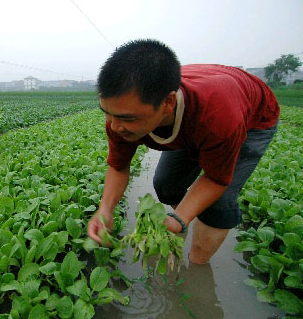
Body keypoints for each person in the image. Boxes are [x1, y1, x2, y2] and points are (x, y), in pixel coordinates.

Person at [87, 39, 279, 264]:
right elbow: (118, 166)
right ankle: (186, 220)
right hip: (200, 108)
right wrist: (105, 210)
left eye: (127, 118)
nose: (114, 127)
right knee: (166, 184)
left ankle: (197, 263)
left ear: (168, 103)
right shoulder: (120, 114)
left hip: (252, 118)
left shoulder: (218, 120)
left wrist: (180, 218)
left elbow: (217, 179)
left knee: (218, 202)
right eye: (107, 114)